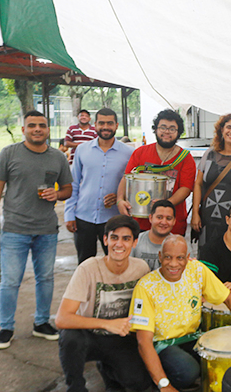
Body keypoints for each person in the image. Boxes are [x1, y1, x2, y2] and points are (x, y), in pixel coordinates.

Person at [129, 235, 231, 392]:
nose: (173, 264)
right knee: (187, 372)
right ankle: (160, 381)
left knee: (224, 359)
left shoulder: (197, 270)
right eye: (168, 257)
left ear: (187, 258)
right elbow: (143, 342)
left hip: (193, 336)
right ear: (160, 256)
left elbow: (228, 297)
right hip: (163, 344)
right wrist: (165, 385)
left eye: (180, 258)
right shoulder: (145, 287)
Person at [0, 110, 73, 349]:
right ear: (23, 129)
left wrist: (58, 194)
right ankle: (6, 327)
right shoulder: (9, 154)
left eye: (42, 125)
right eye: (32, 125)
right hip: (15, 229)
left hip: (46, 229)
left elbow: (68, 188)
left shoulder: (58, 157)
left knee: (45, 278)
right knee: (10, 281)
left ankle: (42, 323)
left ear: (48, 129)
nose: (37, 129)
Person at [55, 215, 152, 392]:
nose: (119, 244)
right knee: (70, 339)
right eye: (114, 238)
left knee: (139, 383)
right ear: (105, 240)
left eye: (126, 239)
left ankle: (108, 368)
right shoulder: (88, 268)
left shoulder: (141, 268)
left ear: (135, 243)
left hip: (121, 338)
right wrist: (105, 323)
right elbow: (62, 318)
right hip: (89, 336)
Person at [64, 108, 133, 265]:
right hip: (83, 216)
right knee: (85, 264)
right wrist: (69, 214)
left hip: (113, 218)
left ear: (116, 125)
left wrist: (119, 196)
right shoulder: (82, 150)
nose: (105, 127)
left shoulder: (129, 153)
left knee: (117, 262)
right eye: (101, 123)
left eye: (110, 123)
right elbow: (73, 183)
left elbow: (133, 184)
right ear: (95, 125)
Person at [117, 109, 196, 236]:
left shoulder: (185, 158)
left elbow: (185, 189)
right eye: (163, 127)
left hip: (171, 224)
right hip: (140, 222)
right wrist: (120, 200)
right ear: (156, 129)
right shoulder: (140, 153)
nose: (166, 132)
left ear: (179, 132)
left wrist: (164, 205)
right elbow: (126, 178)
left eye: (172, 129)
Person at [191, 113, 231, 248]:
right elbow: (198, 184)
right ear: (222, 130)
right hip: (207, 219)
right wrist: (195, 213)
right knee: (206, 258)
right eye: (228, 127)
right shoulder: (209, 154)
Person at [131, 200, 176, 270]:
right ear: (150, 218)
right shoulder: (136, 240)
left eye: (168, 218)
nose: (164, 222)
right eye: (159, 217)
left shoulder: (181, 244)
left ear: (174, 221)